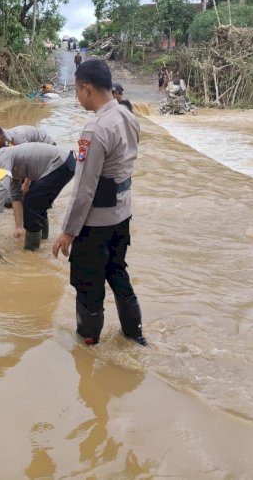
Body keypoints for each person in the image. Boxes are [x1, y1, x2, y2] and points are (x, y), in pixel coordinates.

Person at [52, 59, 147, 347]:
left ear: (87, 88)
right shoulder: (128, 116)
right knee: (118, 273)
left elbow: (83, 187)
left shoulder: (93, 130)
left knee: (88, 286)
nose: (77, 98)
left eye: (77, 92)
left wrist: (68, 231)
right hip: (122, 215)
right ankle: (135, 336)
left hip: (95, 224)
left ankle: (88, 344)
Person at [0, 142, 75, 251]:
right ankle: (43, 241)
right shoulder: (7, 164)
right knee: (37, 204)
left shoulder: (0, 159)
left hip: (60, 163)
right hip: (66, 163)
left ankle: (31, 251)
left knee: (31, 204)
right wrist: (19, 227)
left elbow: (2, 187)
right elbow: (16, 196)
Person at [0, 124, 57, 238]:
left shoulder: (18, 139)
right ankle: (19, 228)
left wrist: (26, 183)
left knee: (32, 196)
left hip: (47, 157)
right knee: (15, 191)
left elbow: (31, 161)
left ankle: (41, 235)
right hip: (28, 162)